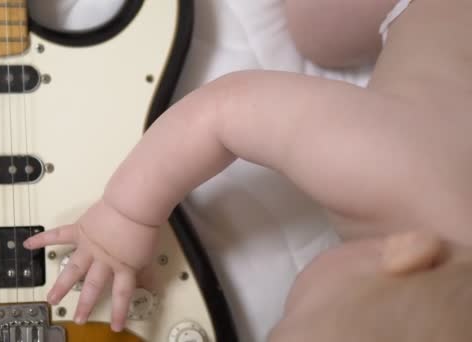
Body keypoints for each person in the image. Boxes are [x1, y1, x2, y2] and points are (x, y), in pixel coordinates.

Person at [24, 0, 472, 338]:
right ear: (408, 256)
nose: (275, 322)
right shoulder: (375, 167)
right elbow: (226, 111)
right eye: (289, 324)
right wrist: (125, 214)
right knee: (318, 28)